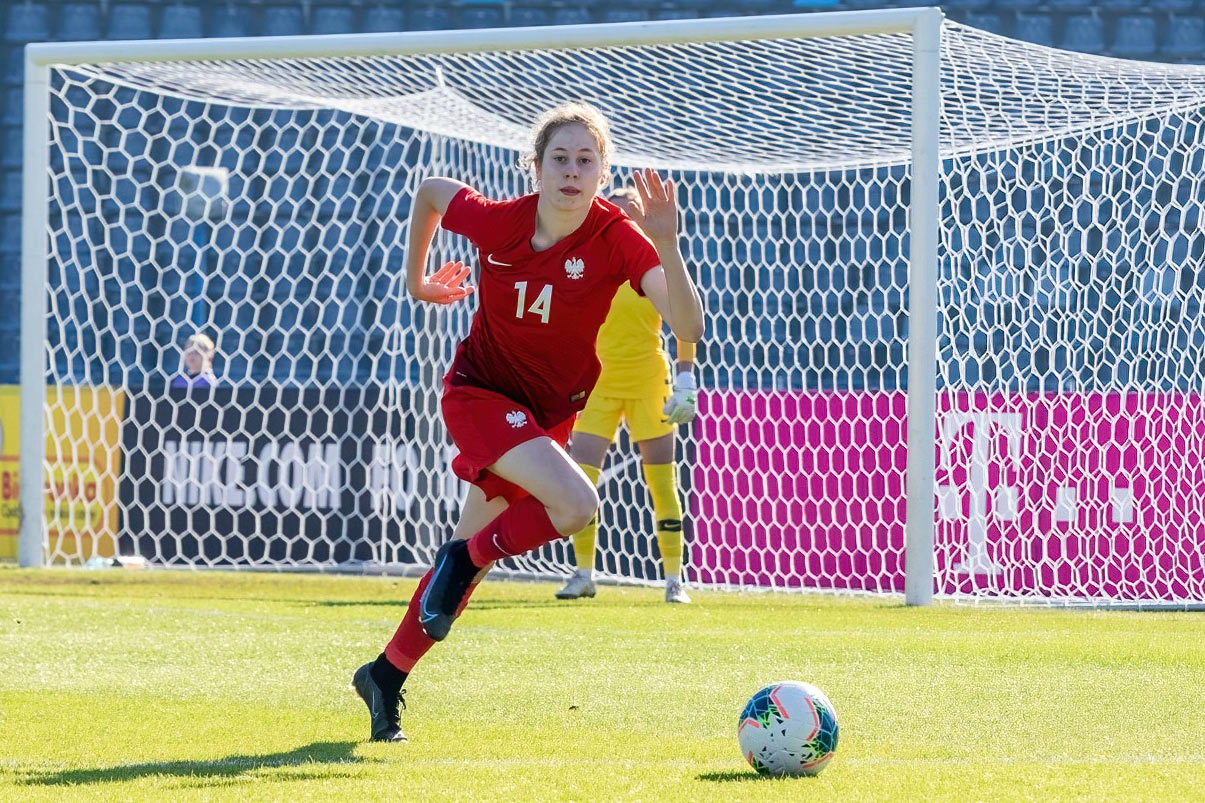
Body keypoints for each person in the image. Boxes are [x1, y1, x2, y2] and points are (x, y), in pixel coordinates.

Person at [352, 102, 705, 743]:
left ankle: (385, 676)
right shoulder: (500, 222)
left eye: (586, 160)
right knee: (575, 505)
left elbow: (687, 325)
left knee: (466, 567)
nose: (572, 171)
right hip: (481, 394)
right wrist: (417, 282)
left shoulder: (617, 238)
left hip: (545, 413)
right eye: (559, 158)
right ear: (535, 167)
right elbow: (431, 191)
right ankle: (462, 559)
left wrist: (668, 244)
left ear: (602, 173)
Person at [556, 186, 699, 604]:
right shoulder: (586, 262)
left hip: (647, 380)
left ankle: (674, 580)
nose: (620, 220)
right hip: (598, 382)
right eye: (612, 212)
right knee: (581, 479)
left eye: (629, 213)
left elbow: (684, 319)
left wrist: (685, 380)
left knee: (662, 481)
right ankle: (583, 573)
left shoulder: (654, 263)